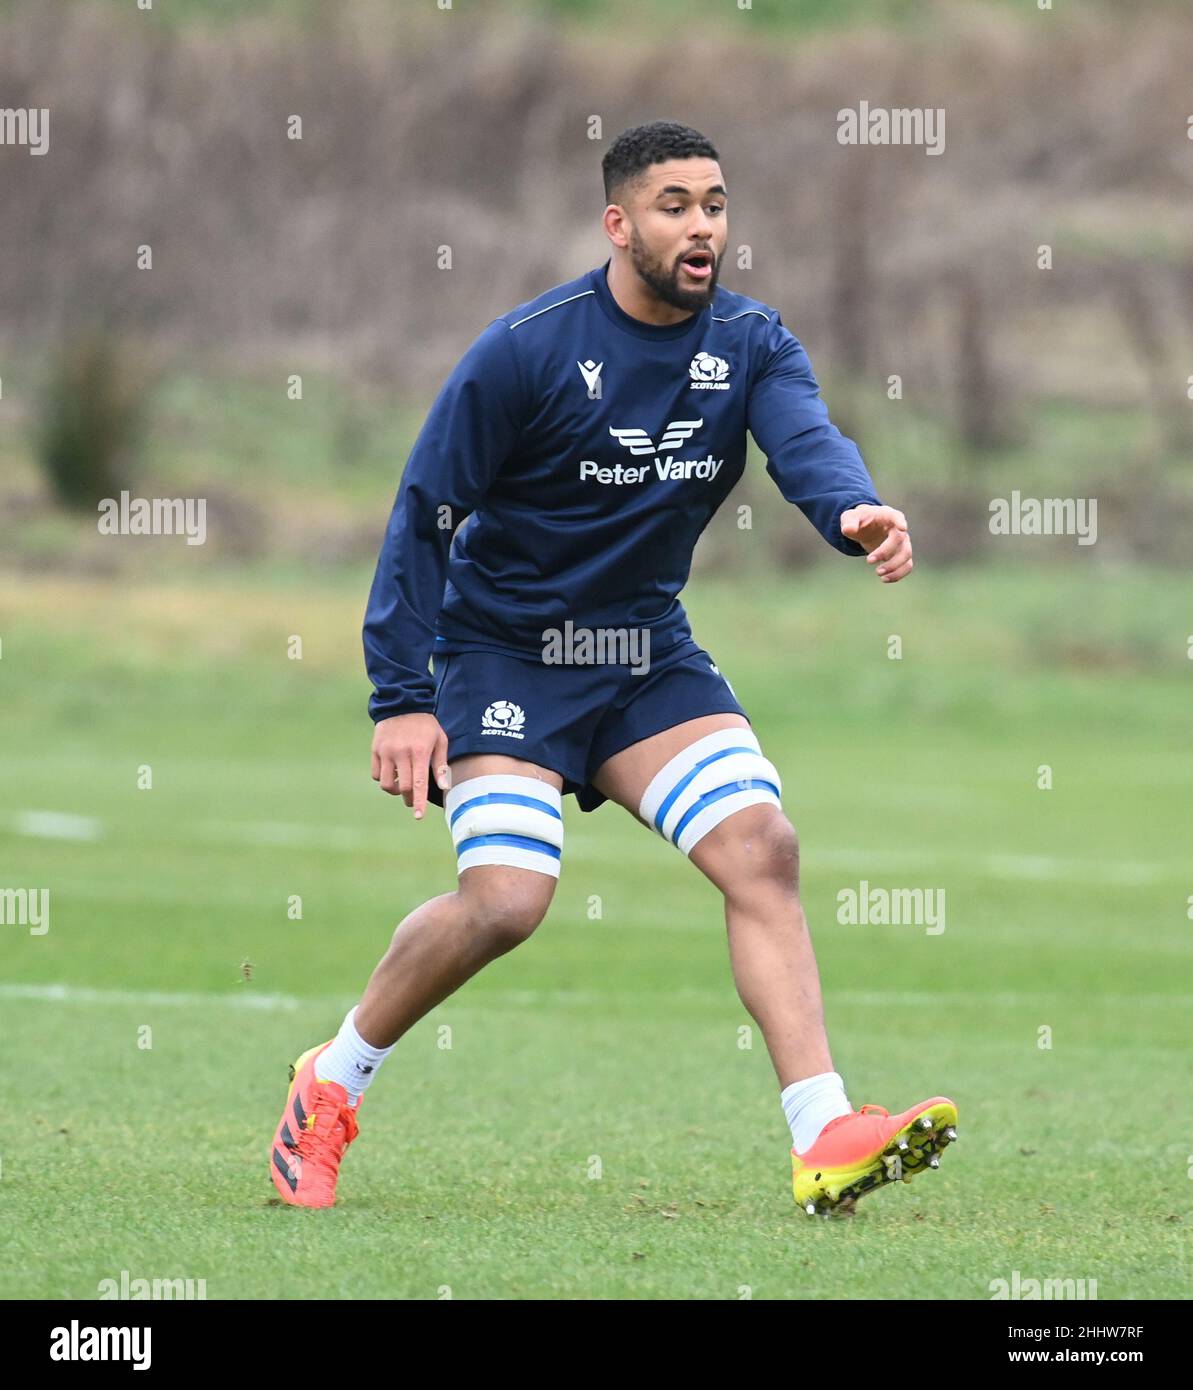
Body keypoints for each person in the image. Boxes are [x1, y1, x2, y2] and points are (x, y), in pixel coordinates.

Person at [268, 120, 957, 1218]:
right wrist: (400, 696)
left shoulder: (750, 342)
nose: (701, 226)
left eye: (716, 204)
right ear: (618, 222)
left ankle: (821, 1130)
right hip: (504, 652)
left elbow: (805, 441)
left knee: (758, 846)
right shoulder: (525, 350)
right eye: (675, 204)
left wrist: (853, 509)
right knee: (506, 901)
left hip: (641, 653)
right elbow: (423, 516)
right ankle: (330, 1081)